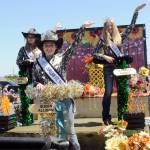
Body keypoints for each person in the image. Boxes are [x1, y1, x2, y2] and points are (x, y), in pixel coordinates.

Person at [32, 21, 94, 150]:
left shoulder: (62, 58)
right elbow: (34, 80)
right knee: (49, 132)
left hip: (65, 99)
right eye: (46, 45)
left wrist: (82, 28)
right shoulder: (37, 63)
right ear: (43, 47)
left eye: (51, 45)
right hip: (48, 101)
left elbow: (74, 46)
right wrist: (38, 84)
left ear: (55, 47)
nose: (48, 47)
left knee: (70, 131)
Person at [92, 3, 146, 125]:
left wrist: (135, 11)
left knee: (123, 91)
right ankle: (106, 117)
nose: (110, 28)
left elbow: (131, 27)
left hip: (121, 68)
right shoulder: (102, 40)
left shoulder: (120, 37)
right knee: (108, 92)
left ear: (114, 27)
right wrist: (104, 56)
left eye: (111, 26)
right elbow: (94, 53)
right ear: (105, 28)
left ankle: (122, 115)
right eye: (107, 26)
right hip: (108, 68)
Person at [16, 28, 41, 125]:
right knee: (24, 98)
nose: (30, 39)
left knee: (33, 97)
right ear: (26, 38)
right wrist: (25, 62)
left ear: (35, 39)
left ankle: (33, 118)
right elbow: (17, 61)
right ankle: (26, 119)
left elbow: (41, 63)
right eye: (29, 37)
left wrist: (34, 63)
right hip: (24, 76)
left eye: (32, 37)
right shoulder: (22, 49)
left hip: (34, 76)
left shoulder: (38, 51)